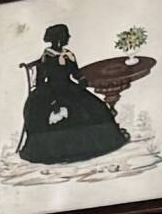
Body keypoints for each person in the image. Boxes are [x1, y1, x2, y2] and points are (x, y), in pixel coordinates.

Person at [16, 21, 133, 166]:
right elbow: (40, 79)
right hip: (50, 91)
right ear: (58, 38)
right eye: (66, 36)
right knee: (69, 114)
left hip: (69, 87)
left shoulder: (68, 54)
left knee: (97, 107)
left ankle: (98, 144)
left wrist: (82, 79)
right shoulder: (47, 56)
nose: (68, 38)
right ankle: (67, 152)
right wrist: (53, 103)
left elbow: (75, 72)